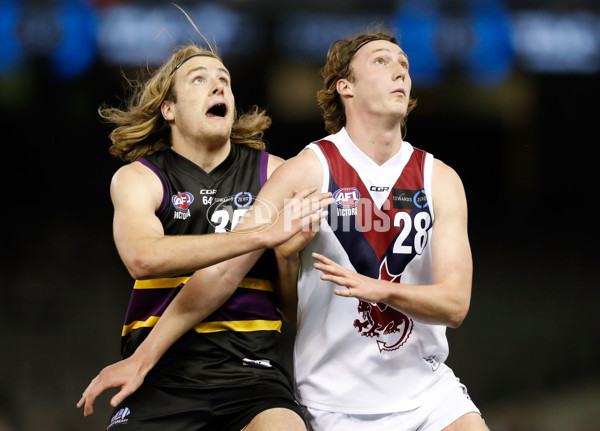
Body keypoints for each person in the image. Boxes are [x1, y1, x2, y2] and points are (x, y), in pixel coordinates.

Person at [79, 30, 490, 430]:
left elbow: (454, 305)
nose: (400, 71)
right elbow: (197, 267)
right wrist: (145, 355)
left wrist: (351, 279)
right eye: (382, 61)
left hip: (411, 387)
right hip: (321, 397)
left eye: (403, 64)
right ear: (345, 86)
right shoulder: (304, 170)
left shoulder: (439, 178)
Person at [76, 36, 333, 431]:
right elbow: (142, 257)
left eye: (224, 81)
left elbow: (294, 310)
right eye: (198, 80)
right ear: (169, 109)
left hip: (253, 373)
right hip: (160, 371)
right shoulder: (140, 178)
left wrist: (285, 258)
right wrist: (261, 234)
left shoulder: (278, 174)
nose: (218, 87)